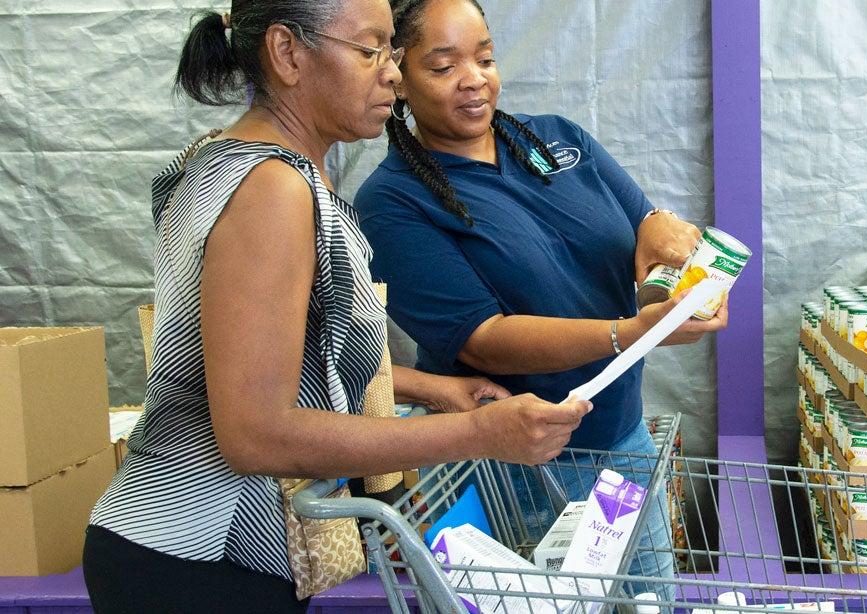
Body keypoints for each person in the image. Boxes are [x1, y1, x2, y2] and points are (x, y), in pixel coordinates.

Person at [83, 2, 589, 612]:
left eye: (391, 52)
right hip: (198, 556)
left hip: (193, 555)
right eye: (370, 50)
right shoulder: (271, 189)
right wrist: (477, 434)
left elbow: (269, 359)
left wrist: (429, 388)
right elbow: (254, 433)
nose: (393, 74)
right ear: (287, 53)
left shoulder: (235, 159)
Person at [353, 0, 726, 592]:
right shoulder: (392, 203)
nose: (474, 79)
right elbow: (484, 339)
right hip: (517, 466)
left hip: (620, 437)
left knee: (652, 599)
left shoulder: (557, 139)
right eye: (444, 66)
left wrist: (671, 263)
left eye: (485, 58)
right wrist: (632, 333)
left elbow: (644, 237)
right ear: (399, 78)